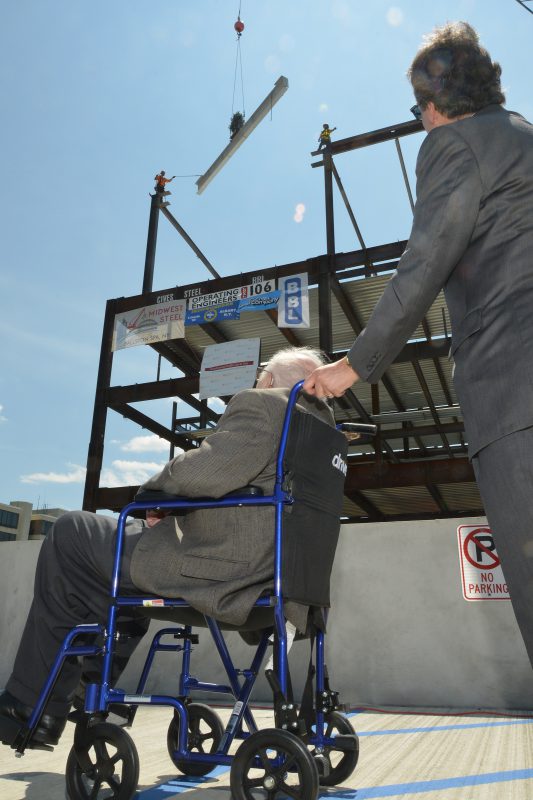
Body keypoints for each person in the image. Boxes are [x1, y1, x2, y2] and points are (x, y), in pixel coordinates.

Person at [304, 23, 533, 671]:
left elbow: (424, 261)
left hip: (517, 397)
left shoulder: (453, 143)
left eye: (417, 110)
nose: (421, 121)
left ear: (435, 104)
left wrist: (353, 365)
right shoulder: (522, 136)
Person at [0, 346, 332, 749]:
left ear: (268, 381)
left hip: (222, 574)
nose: (257, 383)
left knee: (72, 532)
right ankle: (80, 692)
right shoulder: (324, 440)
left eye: (262, 378)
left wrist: (153, 492)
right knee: (112, 574)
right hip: (283, 588)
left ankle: (32, 707)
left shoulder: (265, 405)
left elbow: (205, 471)